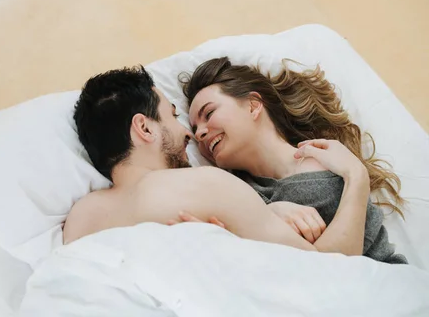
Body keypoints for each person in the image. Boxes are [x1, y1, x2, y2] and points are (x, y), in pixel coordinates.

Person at [64, 65, 373, 260]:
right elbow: (329, 271)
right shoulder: (205, 184)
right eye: (172, 116)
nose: (190, 133)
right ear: (144, 128)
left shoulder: (80, 218)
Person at [180, 56, 407, 263]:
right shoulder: (235, 190)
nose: (200, 134)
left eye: (208, 114)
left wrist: (357, 176)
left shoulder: (323, 166)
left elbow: (335, 269)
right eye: (195, 128)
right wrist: (268, 214)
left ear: (253, 105)